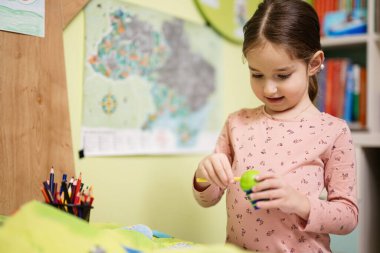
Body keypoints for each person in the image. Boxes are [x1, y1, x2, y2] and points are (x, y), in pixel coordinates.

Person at [192, 0, 358, 252]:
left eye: (282, 75)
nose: (268, 88)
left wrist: (299, 202)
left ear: (313, 64)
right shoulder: (237, 123)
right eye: (257, 74)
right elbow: (208, 198)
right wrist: (203, 175)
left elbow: (348, 217)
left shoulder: (333, 131)